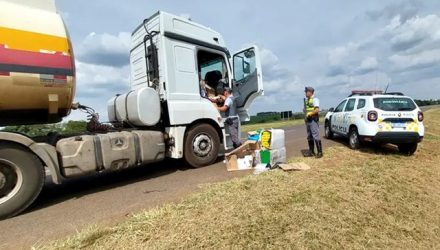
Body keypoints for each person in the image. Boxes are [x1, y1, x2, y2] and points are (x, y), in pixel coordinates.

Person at [304, 86, 323, 158]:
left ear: (310, 92)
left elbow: (317, 110)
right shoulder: (307, 100)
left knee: (315, 135)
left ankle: (320, 152)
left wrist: (310, 113)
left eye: (306, 91)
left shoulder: (315, 99)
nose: (305, 93)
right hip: (308, 120)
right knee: (309, 136)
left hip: (313, 119)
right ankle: (311, 152)